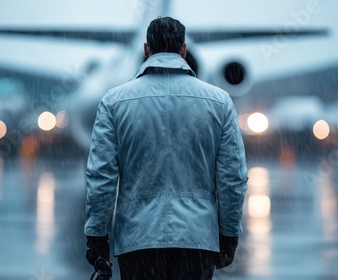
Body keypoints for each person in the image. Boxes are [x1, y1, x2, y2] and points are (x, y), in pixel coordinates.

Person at [84, 16, 248, 280]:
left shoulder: (113, 102)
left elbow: (101, 176)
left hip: (138, 241)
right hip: (196, 243)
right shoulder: (220, 102)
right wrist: (229, 234)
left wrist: (97, 235)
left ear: (146, 50)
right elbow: (233, 177)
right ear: (184, 50)